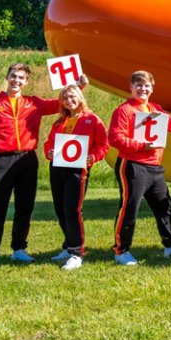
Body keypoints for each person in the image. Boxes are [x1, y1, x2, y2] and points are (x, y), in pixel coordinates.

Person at [0, 62, 87, 271]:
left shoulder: (33, 103)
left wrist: (79, 86)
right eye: (13, 76)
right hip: (2, 159)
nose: (16, 80)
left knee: (25, 206)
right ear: (7, 77)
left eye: (21, 78)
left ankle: (19, 249)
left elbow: (61, 103)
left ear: (26, 82)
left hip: (27, 159)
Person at [108, 70, 171, 265]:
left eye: (146, 86)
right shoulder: (124, 110)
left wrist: (162, 115)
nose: (142, 89)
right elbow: (115, 138)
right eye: (138, 85)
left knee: (164, 206)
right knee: (130, 207)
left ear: (152, 89)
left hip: (155, 166)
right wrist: (140, 146)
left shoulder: (154, 108)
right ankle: (121, 250)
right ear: (131, 87)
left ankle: (170, 245)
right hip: (133, 165)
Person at [43, 84, 109, 271]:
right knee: (60, 209)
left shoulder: (92, 119)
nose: (69, 101)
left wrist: (93, 157)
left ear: (80, 97)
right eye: (65, 98)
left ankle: (76, 252)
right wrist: (49, 152)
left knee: (72, 209)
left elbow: (103, 145)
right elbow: (49, 143)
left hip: (77, 170)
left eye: (72, 97)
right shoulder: (59, 122)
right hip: (57, 168)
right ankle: (68, 244)